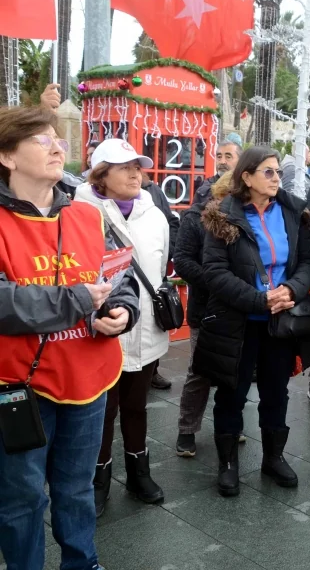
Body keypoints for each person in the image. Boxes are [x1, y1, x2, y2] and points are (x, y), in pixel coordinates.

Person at [0, 107, 139, 570]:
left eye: (58, 140)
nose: (58, 148)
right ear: (7, 157)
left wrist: (121, 311)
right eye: (42, 141)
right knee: (21, 499)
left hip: (89, 378)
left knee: (77, 489)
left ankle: (83, 562)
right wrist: (78, 299)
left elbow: (120, 276)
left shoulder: (89, 215)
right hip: (20, 386)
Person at [193, 146, 310, 497]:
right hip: (237, 321)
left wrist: (291, 290)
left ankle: (273, 458)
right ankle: (228, 464)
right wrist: (259, 299)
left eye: (278, 172)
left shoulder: (291, 211)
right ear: (246, 177)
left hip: (280, 321)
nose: (277, 178)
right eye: (268, 172)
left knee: (276, 392)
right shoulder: (223, 215)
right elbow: (214, 272)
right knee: (231, 394)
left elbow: (307, 261)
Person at [76, 139, 172, 515]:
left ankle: (138, 472)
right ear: (101, 175)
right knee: (103, 409)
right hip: (99, 332)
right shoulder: (79, 212)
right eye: (124, 168)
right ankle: (99, 478)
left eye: (137, 167)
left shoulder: (155, 214)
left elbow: (160, 269)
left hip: (145, 327)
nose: (135, 174)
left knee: (136, 404)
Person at [173, 173, 233, 456]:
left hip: (238, 306)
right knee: (199, 371)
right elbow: (183, 261)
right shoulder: (194, 218)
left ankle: (230, 424)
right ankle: (187, 429)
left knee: (235, 371)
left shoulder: (245, 216)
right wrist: (217, 281)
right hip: (206, 307)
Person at [192, 140, 243, 205]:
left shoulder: (245, 186)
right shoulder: (205, 185)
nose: (222, 162)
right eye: (219, 157)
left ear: (240, 161)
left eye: (228, 157)